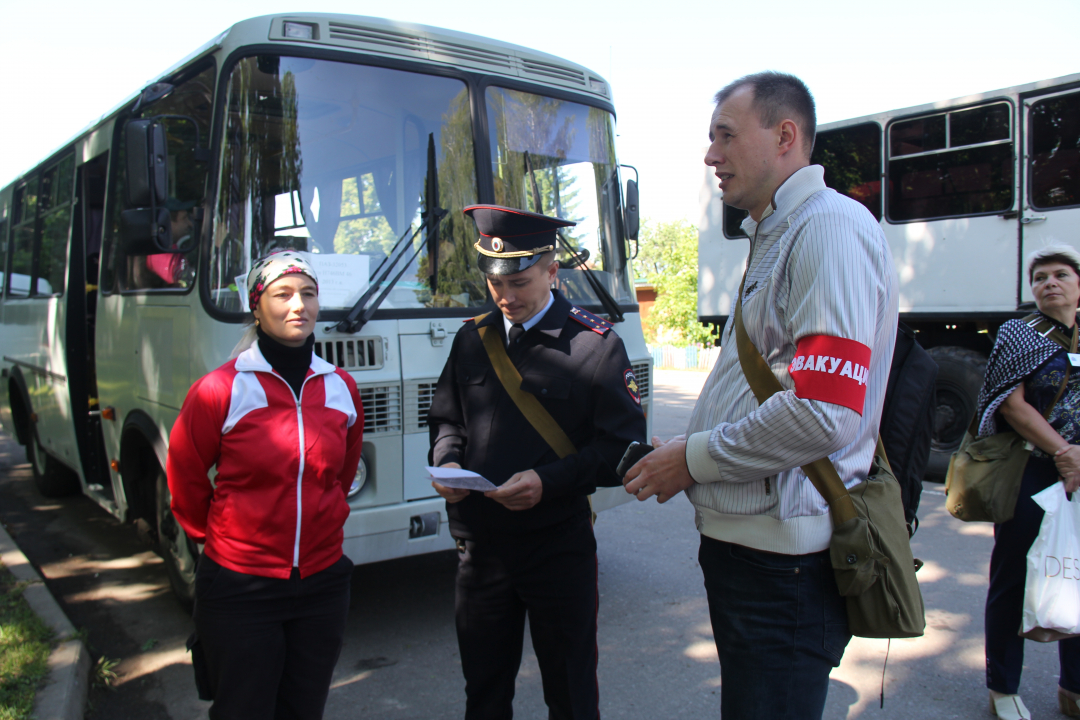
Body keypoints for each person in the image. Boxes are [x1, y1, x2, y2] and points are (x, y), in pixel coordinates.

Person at [622, 72, 899, 719]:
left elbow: (823, 411)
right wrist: (691, 447)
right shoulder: (782, 230)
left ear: (784, 136)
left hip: (785, 571)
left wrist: (691, 459)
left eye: (725, 135)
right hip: (759, 558)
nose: (709, 156)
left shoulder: (825, 229)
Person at [427, 204, 647, 720]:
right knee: (483, 692)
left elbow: (622, 448)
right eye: (494, 283)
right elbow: (445, 419)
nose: (505, 296)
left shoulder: (594, 346)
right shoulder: (472, 340)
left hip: (556, 548)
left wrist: (547, 483)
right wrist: (448, 461)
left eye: (520, 282)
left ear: (553, 271)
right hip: (481, 549)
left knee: (570, 694)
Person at [167, 250, 364, 720]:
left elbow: (340, 476)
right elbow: (186, 478)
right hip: (241, 586)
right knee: (244, 710)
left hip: (321, 584)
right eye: (283, 295)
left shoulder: (341, 387)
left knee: (304, 709)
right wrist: (220, 542)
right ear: (257, 307)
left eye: (309, 294)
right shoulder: (220, 389)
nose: (299, 305)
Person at [974, 243, 1080, 720]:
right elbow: (1011, 405)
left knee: (1078, 578)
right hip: (1031, 469)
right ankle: (1003, 685)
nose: (1050, 283)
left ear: (1079, 285)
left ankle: (1073, 687)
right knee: (1013, 577)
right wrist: (1064, 452)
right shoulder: (1018, 333)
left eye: (1061, 274)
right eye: (1040, 277)